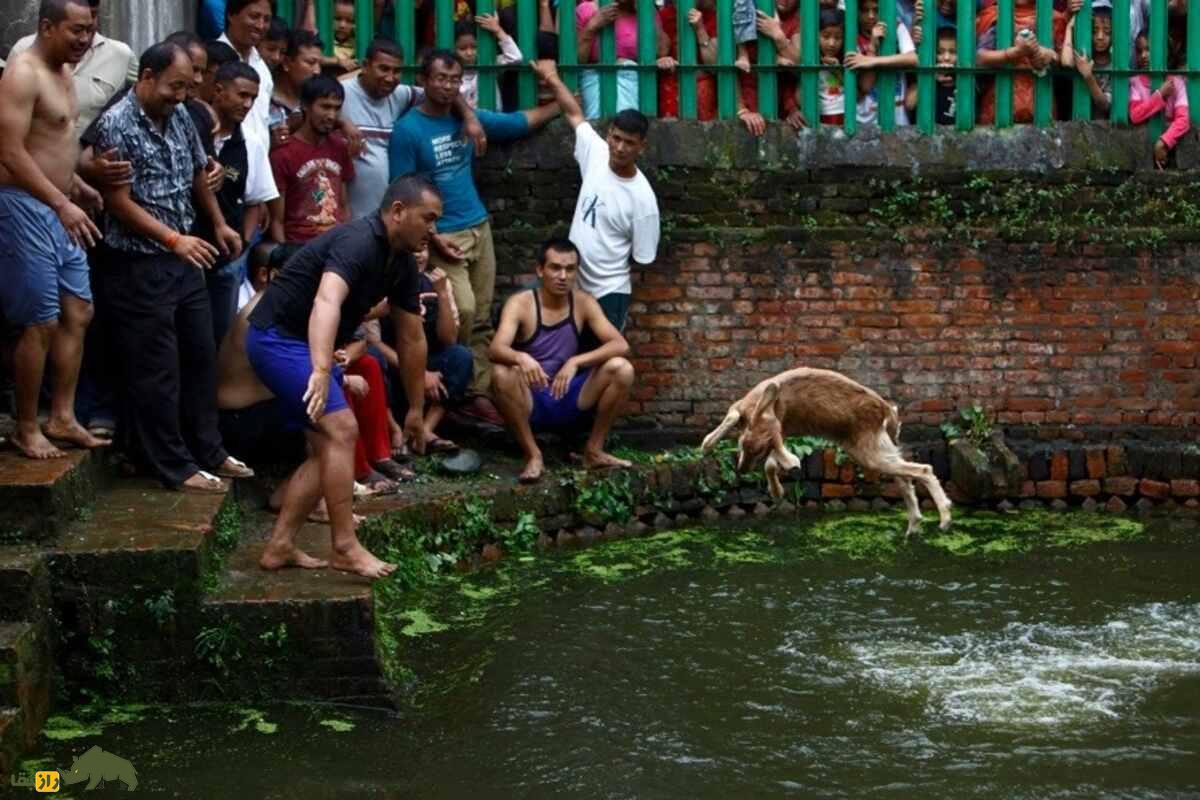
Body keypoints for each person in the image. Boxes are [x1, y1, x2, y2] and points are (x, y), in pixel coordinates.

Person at [244, 175, 440, 579]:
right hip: (277, 338)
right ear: (399, 212)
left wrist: (417, 408)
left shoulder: (401, 262)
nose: (433, 230)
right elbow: (327, 299)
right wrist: (319, 369)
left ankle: (280, 545)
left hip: (307, 342)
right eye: (428, 219)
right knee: (342, 430)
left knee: (326, 448)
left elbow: (411, 336)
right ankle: (345, 546)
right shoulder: (358, 241)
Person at [90, 42, 253, 492]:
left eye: (186, 86)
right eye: (173, 85)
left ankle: (210, 449)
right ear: (145, 77)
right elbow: (118, 203)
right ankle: (173, 466)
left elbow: (198, 172)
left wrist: (218, 223)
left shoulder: (182, 115)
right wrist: (172, 239)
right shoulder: (117, 124)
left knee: (201, 355)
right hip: (139, 263)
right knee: (157, 368)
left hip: (186, 258)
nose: (180, 95)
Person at [387, 49, 561, 409]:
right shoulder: (407, 131)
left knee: (481, 315)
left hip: (479, 227)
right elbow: (401, 192)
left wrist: (563, 103)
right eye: (440, 78)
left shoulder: (466, 119)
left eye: (455, 79)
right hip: (443, 234)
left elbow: (517, 123)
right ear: (422, 80)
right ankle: (455, 386)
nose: (448, 87)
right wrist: (434, 238)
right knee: (460, 311)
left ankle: (477, 394)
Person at [0, 0, 108, 459]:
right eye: (76, 31)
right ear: (47, 26)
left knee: (78, 311)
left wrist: (77, 184)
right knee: (40, 320)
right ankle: (26, 426)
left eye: (90, 31)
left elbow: (52, 141)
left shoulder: (65, 71)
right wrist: (61, 200)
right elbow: (9, 151)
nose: (85, 41)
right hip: (24, 206)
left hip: (59, 205)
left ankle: (62, 415)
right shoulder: (23, 72)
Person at [489, 239, 636, 484]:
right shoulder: (522, 303)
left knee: (622, 369)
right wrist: (521, 357)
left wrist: (576, 361)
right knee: (501, 373)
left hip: (568, 394)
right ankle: (533, 454)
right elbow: (495, 349)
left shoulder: (583, 302)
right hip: (531, 397)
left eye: (570, 269)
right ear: (540, 270)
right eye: (555, 268)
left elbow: (620, 344)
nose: (562, 276)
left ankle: (594, 450)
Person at [535, 61, 659, 333]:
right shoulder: (597, 152)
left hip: (608, 292)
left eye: (629, 142)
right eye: (616, 138)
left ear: (642, 146)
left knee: (605, 362)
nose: (620, 148)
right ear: (609, 134)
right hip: (570, 283)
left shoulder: (643, 200)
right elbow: (574, 115)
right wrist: (552, 78)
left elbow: (642, 257)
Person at [200, 61, 279, 346]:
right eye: (242, 95)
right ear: (219, 91)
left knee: (219, 337)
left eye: (253, 99)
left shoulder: (252, 143)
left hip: (225, 261)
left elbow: (255, 202)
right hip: (187, 253)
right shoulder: (193, 132)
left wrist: (242, 248)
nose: (247, 104)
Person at [7, 0, 137, 133]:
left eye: (92, 15)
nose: (84, 37)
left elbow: (146, 91)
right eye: (77, 29)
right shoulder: (23, 53)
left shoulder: (121, 55)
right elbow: (9, 142)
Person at [269, 74, 355, 243]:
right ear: (305, 106)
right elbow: (276, 221)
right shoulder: (282, 154)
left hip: (335, 247)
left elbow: (343, 207)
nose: (331, 115)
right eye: (325, 107)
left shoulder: (339, 147)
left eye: (337, 108)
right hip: (299, 248)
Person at [575, 0, 673, 119]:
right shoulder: (586, 10)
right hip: (595, 77)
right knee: (598, 120)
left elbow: (662, 51)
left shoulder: (645, 9)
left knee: (628, 123)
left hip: (634, 78)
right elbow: (577, 61)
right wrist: (593, 25)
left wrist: (646, 15)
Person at [975, 0, 1066, 124]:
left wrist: (1051, 56)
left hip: (1041, 102)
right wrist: (1015, 52)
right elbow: (980, 58)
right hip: (999, 102)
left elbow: (1066, 63)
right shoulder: (995, 15)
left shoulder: (1054, 18)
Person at [845, 0, 918, 126]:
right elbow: (865, 86)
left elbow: (913, 59)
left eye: (876, 10)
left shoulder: (896, 27)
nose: (871, 16)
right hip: (865, 121)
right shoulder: (852, 37)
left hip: (897, 119)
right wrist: (872, 48)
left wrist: (871, 61)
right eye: (864, 10)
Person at [1128, 28, 1190, 169]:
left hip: (1169, 146)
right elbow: (1134, 115)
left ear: (1165, 51)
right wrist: (1159, 95)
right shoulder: (1135, 82)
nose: (1143, 55)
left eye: (1148, 49)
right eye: (1139, 51)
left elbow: (1184, 119)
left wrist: (1163, 142)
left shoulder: (1177, 83)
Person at [219, 0, 275, 150]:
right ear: (231, 15)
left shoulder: (261, 67)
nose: (260, 25)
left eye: (266, 19)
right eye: (254, 16)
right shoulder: (215, 62)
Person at [456, 14, 525, 110]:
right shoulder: (451, 73)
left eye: (474, 47)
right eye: (462, 48)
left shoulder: (490, 62)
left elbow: (516, 58)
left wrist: (498, 30)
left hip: (493, 121)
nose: (469, 53)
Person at [269, 29, 325, 145]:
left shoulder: (317, 99)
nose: (317, 71)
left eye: (320, 64)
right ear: (286, 63)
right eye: (310, 63)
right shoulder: (264, 97)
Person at [1062, 3, 1114, 119]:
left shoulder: (1115, 65)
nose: (1100, 36)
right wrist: (1069, 29)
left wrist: (1088, 76)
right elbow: (1066, 62)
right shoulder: (1083, 55)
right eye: (1094, 31)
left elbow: (1105, 104)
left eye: (1107, 32)